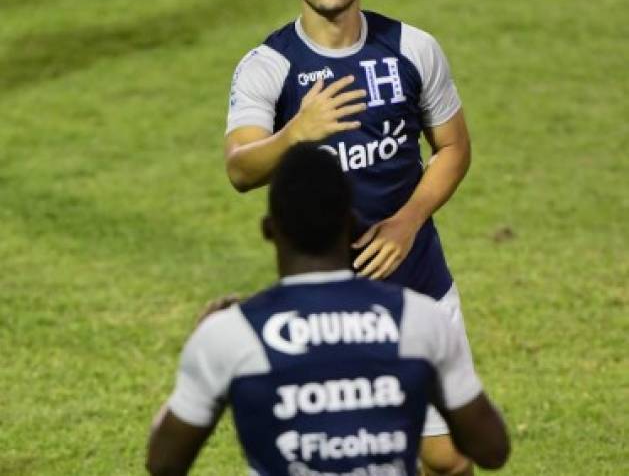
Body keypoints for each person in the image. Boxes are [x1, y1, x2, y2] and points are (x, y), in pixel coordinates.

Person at [224, 0, 474, 475]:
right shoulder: (268, 67)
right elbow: (240, 168)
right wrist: (297, 133)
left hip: (419, 289)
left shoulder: (412, 49)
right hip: (322, 309)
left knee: (449, 459)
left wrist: (409, 220)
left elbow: (453, 148)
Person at [147, 144, 509, 475]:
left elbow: (163, 463)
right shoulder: (419, 320)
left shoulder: (230, 333)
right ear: (351, 223)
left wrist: (198, 354)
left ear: (269, 230)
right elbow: (492, 450)